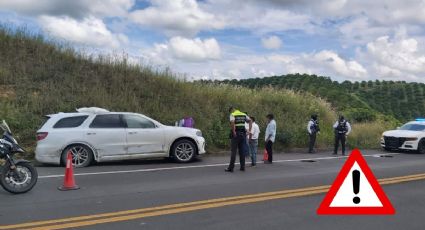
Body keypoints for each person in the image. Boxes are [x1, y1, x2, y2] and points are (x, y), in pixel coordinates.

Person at [225, 107, 252, 172]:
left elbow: (232, 123)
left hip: (236, 134)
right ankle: (242, 167)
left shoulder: (233, 114)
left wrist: (234, 131)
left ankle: (231, 168)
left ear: (231, 110)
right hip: (243, 135)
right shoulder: (243, 114)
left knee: (233, 151)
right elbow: (250, 121)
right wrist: (249, 130)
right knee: (242, 151)